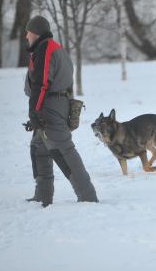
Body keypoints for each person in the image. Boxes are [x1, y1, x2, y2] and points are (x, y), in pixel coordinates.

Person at [24, 15, 98, 207]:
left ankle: (88, 197)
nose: (26, 36)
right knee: (39, 148)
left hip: (49, 107)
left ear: (36, 33)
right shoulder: (56, 48)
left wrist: (34, 111)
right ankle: (43, 195)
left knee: (63, 151)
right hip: (53, 105)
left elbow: (41, 84)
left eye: (29, 32)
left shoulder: (45, 49)